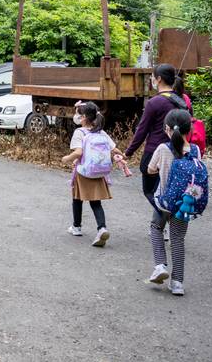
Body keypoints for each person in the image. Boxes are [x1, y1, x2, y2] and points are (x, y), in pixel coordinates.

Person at [145, 108, 197, 296]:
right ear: (189, 130)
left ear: (167, 129)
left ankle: (160, 266)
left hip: (164, 202)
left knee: (156, 228)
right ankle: (177, 283)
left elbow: (150, 170)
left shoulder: (162, 149)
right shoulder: (195, 150)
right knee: (177, 239)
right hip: (185, 203)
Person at [61, 101, 125, 247]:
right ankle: (102, 228)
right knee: (96, 202)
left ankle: (76, 227)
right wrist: (124, 157)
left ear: (84, 117)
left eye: (79, 114)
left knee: (77, 198)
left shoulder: (80, 132)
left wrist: (67, 158)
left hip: (83, 172)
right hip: (99, 172)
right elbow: (114, 149)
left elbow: (78, 152)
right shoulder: (101, 132)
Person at [124, 63, 187, 211]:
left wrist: (128, 152)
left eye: (152, 77)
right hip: (179, 151)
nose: (152, 79)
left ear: (158, 79)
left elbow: (142, 131)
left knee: (150, 192)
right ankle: (162, 225)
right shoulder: (182, 102)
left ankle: (165, 217)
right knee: (167, 190)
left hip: (155, 153)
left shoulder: (155, 102)